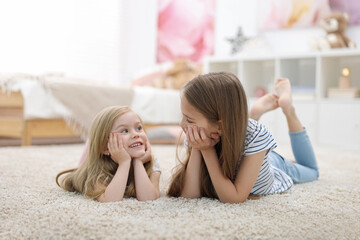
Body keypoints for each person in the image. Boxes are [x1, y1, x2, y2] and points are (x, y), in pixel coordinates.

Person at [167, 72, 319, 203]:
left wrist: (207, 151)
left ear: (220, 126)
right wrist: (199, 149)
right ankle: (252, 115)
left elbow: (235, 197)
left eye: (188, 119)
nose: (181, 124)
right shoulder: (196, 134)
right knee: (244, 136)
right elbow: (189, 196)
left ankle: (289, 111)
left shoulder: (257, 134)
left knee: (312, 172)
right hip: (244, 144)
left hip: (269, 164)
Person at [56, 106, 161, 202]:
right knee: (84, 162)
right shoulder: (96, 169)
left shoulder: (151, 162)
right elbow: (110, 200)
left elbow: (149, 198)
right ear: (106, 147)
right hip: (99, 156)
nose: (136, 135)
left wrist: (138, 162)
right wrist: (124, 162)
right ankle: (90, 144)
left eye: (139, 128)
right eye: (124, 131)